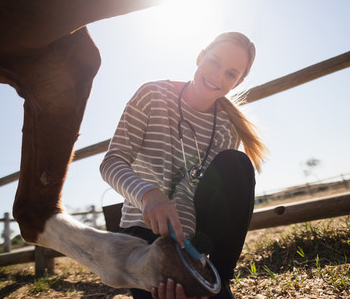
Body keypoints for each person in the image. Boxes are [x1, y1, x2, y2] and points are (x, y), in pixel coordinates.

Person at [100, 32, 268, 299]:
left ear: (239, 81)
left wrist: (194, 258)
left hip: (192, 241)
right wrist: (147, 194)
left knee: (237, 164)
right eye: (214, 62)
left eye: (230, 74)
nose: (217, 77)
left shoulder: (226, 126)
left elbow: (213, 195)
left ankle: (219, 279)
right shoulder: (152, 95)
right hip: (141, 235)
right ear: (200, 56)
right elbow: (111, 163)